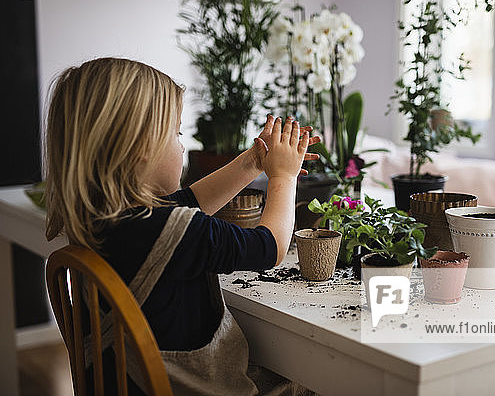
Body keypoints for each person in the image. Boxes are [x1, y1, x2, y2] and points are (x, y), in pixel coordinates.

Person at [44, 57, 320, 395]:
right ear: (141, 147)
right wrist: (284, 177)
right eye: (176, 132)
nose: (182, 143)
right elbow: (271, 246)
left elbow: (189, 201)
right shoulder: (175, 230)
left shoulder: (105, 223)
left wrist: (252, 162)